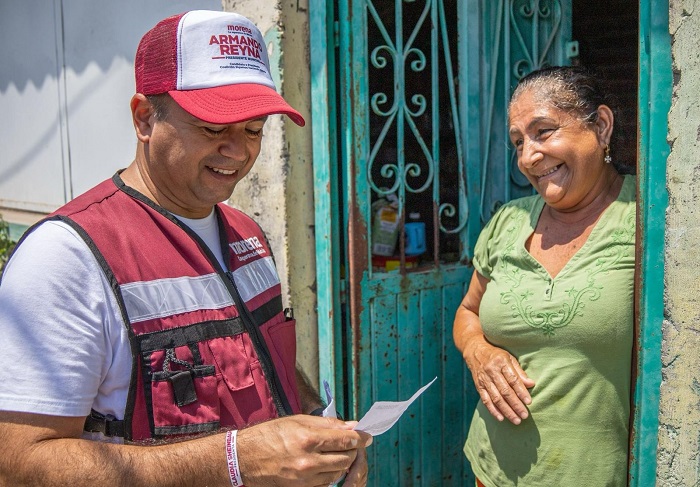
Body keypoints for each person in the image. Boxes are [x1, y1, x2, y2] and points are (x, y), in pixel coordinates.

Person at [0, 10, 371, 486]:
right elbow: (18, 465)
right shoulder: (67, 259)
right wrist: (235, 461)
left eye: (253, 130)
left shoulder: (248, 236)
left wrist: (320, 427)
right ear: (144, 118)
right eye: (214, 129)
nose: (237, 152)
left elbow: (259, 360)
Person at [453, 66, 635, 486]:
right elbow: (467, 312)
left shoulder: (647, 220)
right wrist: (479, 352)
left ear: (601, 127)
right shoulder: (508, 222)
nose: (528, 157)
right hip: (491, 472)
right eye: (518, 142)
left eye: (544, 131)